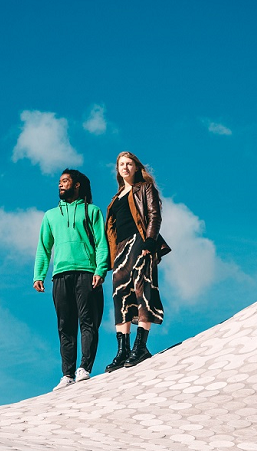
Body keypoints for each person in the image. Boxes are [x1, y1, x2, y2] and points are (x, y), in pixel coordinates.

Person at [34, 169, 109, 391]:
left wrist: (100, 269)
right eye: (59, 182)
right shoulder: (50, 216)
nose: (60, 185)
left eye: (65, 181)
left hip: (87, 272)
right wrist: (39, 274)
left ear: (77, 185)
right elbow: (44, 247)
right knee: (65, 325)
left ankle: (84, 368)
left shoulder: (92, 211)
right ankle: (67, 373)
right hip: (60, 275)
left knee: (88, 321)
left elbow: (101, 243)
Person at [103, 152, 170, 372]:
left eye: (129, 163)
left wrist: (150, 241)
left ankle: (141, 346)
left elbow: (154, 214)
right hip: (121, 249)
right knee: (120, 295)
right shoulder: (116, 198)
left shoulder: (144, 188)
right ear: (118, 169)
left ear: (135, 167)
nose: (125, 167)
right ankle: (122, 350)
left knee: (143, 288)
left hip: (141, 241)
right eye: (121, 164)